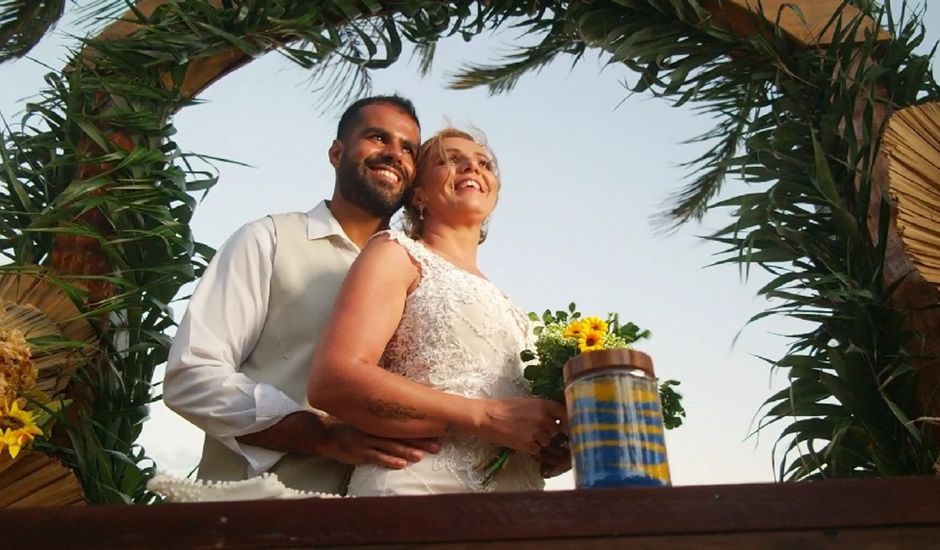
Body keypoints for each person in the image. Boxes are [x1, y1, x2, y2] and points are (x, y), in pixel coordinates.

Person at [163, 95, 441, 494]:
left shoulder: (427, 275)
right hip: (254, 514)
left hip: (388, 515)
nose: (394, 154)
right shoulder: (268, 239)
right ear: (336, 152)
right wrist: (320, 435)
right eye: (378, 137)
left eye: (408, 149)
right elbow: (192, 376)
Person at [308, 128, 570, 496]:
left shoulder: (512, 308)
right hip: (419, 492)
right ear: (418, 194)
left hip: (515, 509)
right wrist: (484, 417)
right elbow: (335, 381)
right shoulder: (396, 253)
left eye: (484, 163)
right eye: (449, 160)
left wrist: (549, 441)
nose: (472, 168)